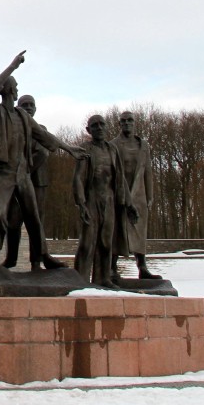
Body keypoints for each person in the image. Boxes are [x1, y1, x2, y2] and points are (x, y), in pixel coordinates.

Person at [0, 51, 81, 270]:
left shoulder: (23, 117)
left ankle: (43, 255)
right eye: (15, 86)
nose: (17, 89)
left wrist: (69, 148)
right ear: (7, 89)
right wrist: (12, 66)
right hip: (4, 172)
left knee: (34, 218)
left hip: (23, 173)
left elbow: (46, 137)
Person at [72, 115, 125, 288]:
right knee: (87, 242)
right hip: (91, 198)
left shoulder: (112, 150)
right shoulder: (85, 149)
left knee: (106, 241)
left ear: (107, 127)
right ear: (88, 130)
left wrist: (126, 202)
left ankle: (103, 278)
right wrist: (81, 202)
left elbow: (120, 178)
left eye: (102, 124)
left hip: (109, 198)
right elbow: (78, 178)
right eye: (94, 125)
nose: (99, 127)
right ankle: (80, 279)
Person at [3, 94, 52, 268]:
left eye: (31, 105)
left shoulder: (41, 129)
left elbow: (43, 153)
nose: (28, 108)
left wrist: (23, 171)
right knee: (13, 221)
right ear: (18, 107)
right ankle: (11, 258)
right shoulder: (13, 128)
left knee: (36, 222)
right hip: (17, 182)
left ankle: (36, 261)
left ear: (36, 108)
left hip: (36, 182)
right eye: (24, 105)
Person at [111, 110, 160, 280]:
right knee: (117, 230)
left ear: (134, 122)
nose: (126, 123)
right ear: (119, 124)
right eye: (123, 121)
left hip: (139, 193)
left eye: (130, 120)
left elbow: (147, 171)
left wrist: (150, 195)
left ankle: (142, 266)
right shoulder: (113, 145)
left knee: (139, 229)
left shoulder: (143, 145)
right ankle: (112, 267)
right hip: (119, 193)